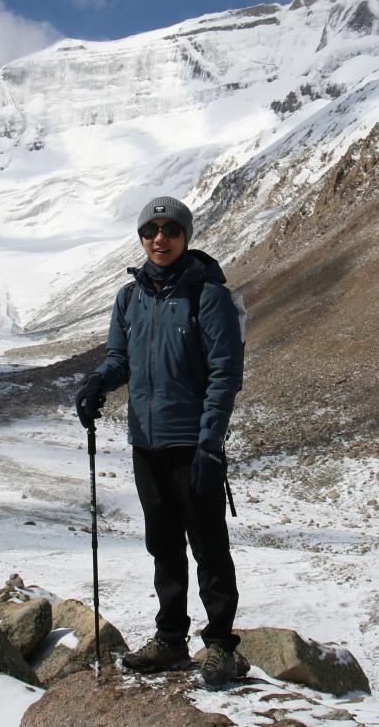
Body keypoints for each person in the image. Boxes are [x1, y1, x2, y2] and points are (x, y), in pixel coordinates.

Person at [74, 195, 248, 687]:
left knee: (209, 547)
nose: (159, 238)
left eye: (170, 229)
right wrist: (96, 383)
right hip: (145, 443)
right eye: (150, 230)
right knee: (163, 546)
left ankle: (220, 647)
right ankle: (171, 640)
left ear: (185, 236)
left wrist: (211, 444)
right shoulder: (131, 297)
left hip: (192, 445)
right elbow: (120, 358)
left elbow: (223, 373)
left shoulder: (205, 294)